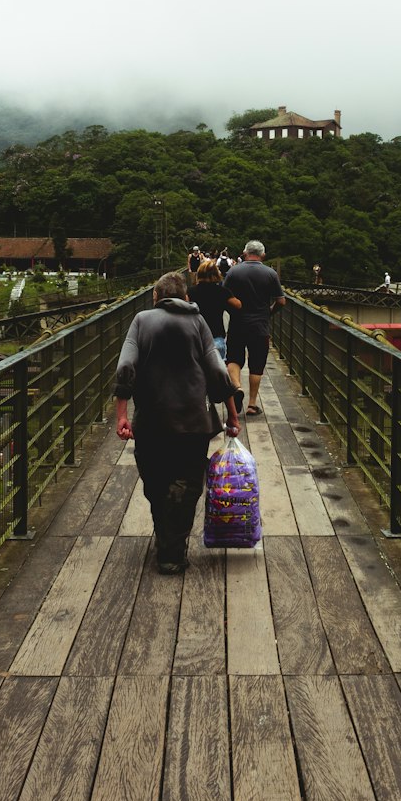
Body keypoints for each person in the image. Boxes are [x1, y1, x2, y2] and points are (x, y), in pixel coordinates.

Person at [115, 271, 239, 575]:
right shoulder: (198, 323)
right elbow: (217, 372)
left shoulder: (142, 321)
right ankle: (173, 549)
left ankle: (166, 543)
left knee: (155, 484)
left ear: (156, 297)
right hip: (193, 423)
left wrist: (121, 415)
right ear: (186, 297)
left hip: (151, 422)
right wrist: (232, 415)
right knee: (188, 484)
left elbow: (126, 365)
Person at [223, 239, 285, 417]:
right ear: (263, 255)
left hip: (237, 324)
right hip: (260, 326)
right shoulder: (270, 273)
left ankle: (237, 388)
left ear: (244, 253)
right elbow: (281, 301)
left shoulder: (233, 272)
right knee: (256, 364)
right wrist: (269, 313)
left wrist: (233, 312)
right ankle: (252, 404)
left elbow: (224, 298)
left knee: (233, 359)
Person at [191, 258, 228, 360]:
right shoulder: (222, 291)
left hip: (195, 337)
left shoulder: (190, 292)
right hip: (216, 336)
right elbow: (237, 306)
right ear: (216, 274)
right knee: (217, 373)